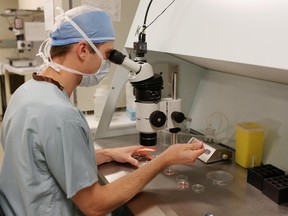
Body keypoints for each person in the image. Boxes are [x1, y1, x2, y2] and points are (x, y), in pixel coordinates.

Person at [0, 5, 205, 216]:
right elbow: (94, 205)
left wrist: (106, 154)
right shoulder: (61, 115)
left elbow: (43, 159)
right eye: (107, 54)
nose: (106, 62)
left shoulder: (25, 93)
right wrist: (164, 160)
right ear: (82, 50)